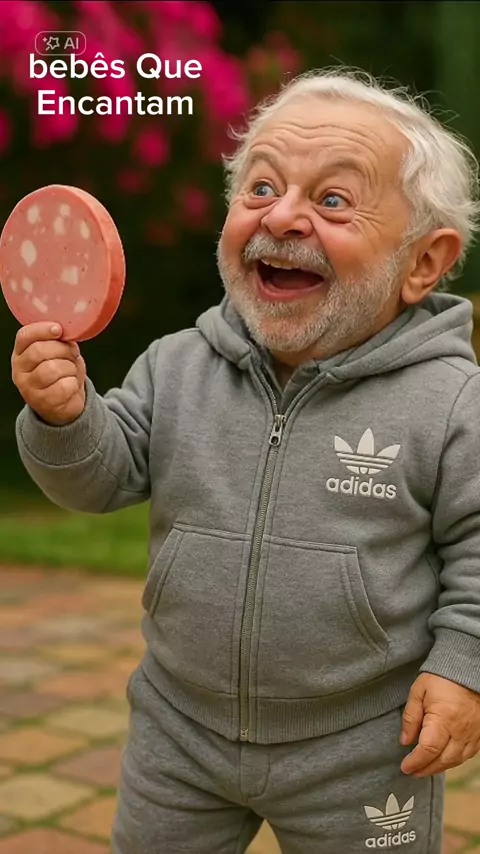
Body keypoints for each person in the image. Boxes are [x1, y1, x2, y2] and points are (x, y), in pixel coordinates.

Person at [11, 66, 480, 853]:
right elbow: (100, 477)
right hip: (179, 728)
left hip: (363, 743)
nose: (284, 216)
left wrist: (463, 665)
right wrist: (64, 419)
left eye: (333, 200)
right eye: (261, 188)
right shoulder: (177, 366)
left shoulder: (450, 401)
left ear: (423, 263)